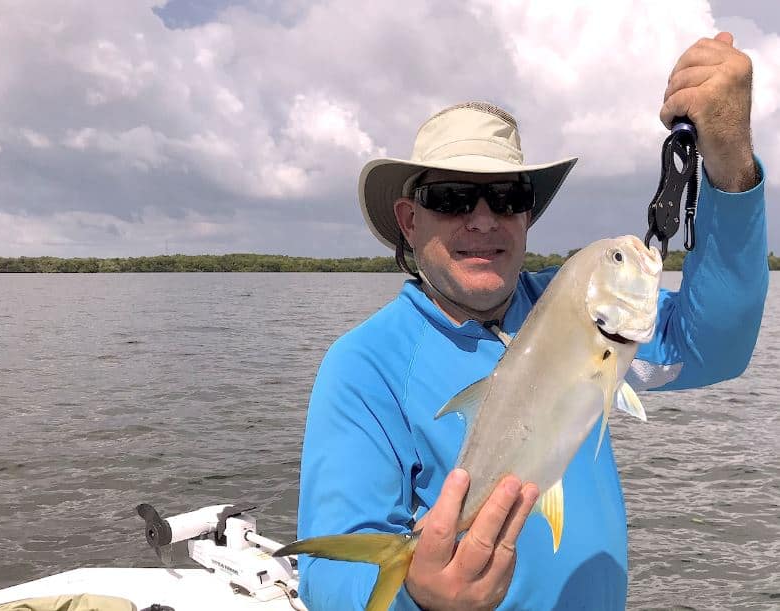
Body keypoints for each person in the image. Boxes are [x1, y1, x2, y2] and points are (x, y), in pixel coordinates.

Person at [295, 32, 768, 610]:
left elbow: (713, 346)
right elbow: (326, 577)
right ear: (409, 220)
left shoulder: (575, 307)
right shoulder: (364, 365)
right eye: (451, 197)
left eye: (507, 195)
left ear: (527, 214)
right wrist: (419, 596)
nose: (483, 219)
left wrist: (730, 168)